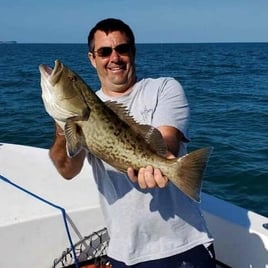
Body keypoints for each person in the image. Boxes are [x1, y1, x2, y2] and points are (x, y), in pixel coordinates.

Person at [47, 18, 216, 267]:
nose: (114, 57)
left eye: (122, 49)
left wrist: (165, 162)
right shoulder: (81, 116)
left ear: (133, 52)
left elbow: (167, 138)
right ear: (92, 59)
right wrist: (63, 124)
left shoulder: (163, 88)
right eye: (104, 51)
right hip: (125, 252)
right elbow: (67, 169)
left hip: (184, 243)